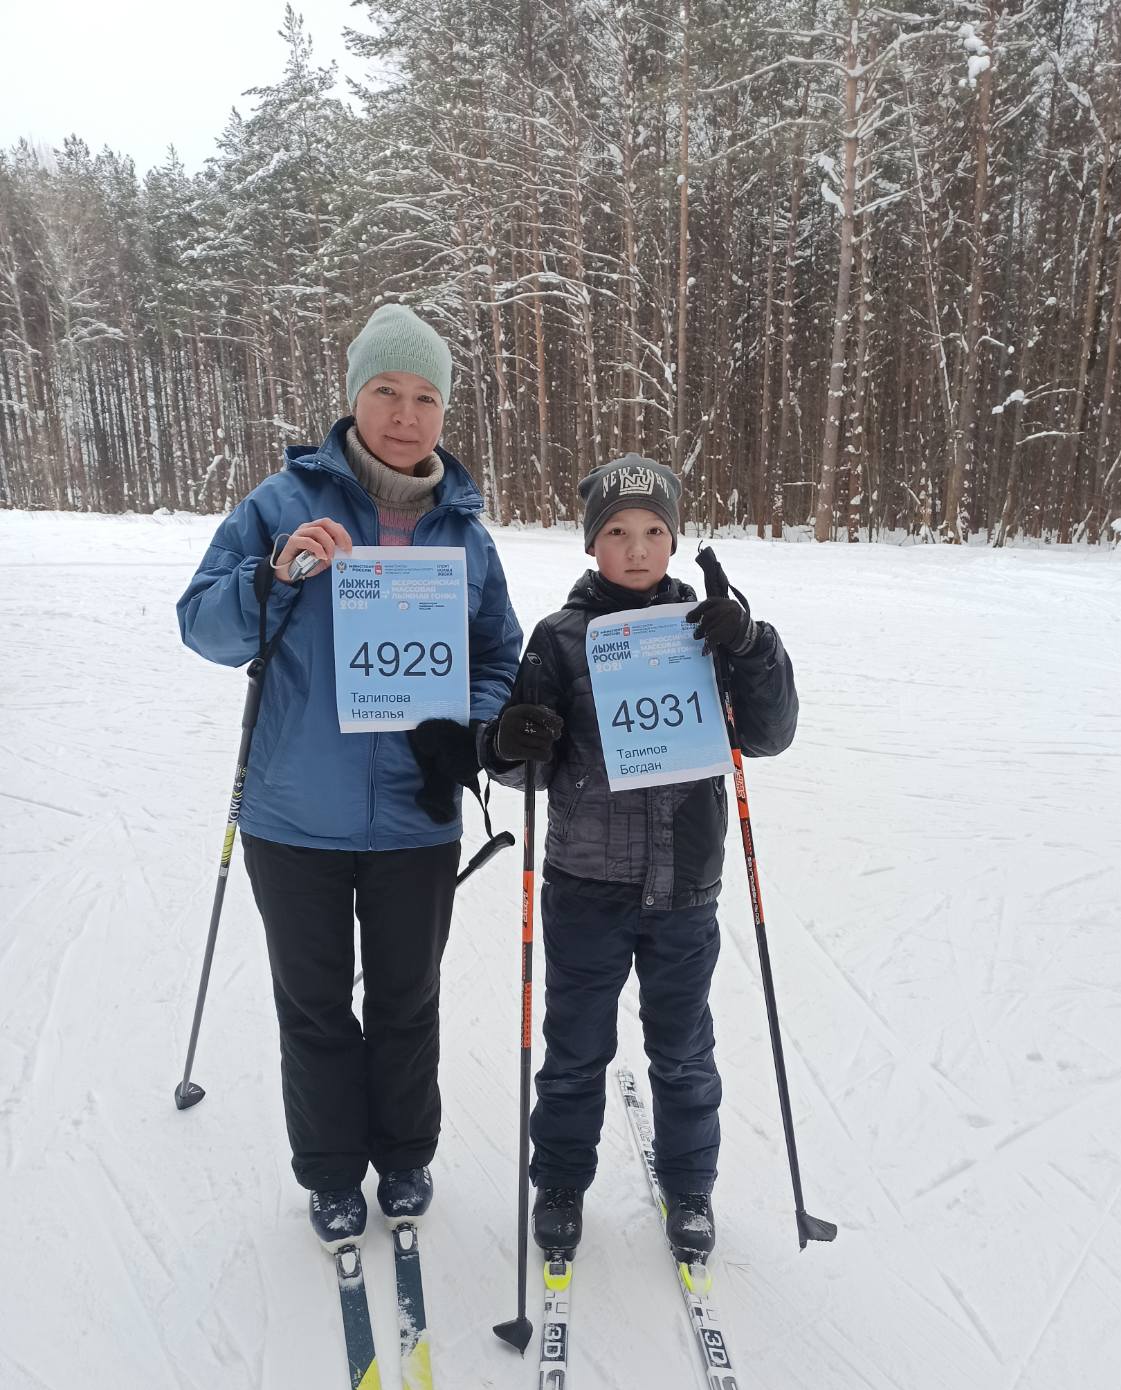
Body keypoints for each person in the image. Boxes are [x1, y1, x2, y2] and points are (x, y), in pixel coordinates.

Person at [177, 304, 522, 1250]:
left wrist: (471, 727)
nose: (406, 415)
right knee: (315, 1006)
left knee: (407, 1001)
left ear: (443, 410)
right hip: (295, 816)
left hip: (416, 815)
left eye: (425, 398)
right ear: (352, 397)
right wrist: (275, 575)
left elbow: (498, 653)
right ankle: (330, 1170)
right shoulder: (281, 504)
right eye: (385, 391)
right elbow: (202, 625)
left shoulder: (465, 533)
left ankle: (405, 1155)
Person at [480, 455, 798, 1261]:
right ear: (591, 543)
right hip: (585, 884)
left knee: (683, 1052)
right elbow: (523, 771)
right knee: (574, 1051)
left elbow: (768, 734)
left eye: (654, 531)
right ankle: (559, 1182)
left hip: (684, 886)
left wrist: (751, 643)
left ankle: (689, 1188)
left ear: (674, 539)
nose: (635, 548)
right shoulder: (559, 638)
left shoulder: (707, 627)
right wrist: (511, 741)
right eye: (617, 532)